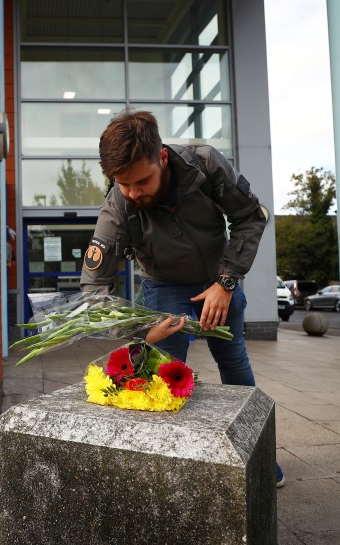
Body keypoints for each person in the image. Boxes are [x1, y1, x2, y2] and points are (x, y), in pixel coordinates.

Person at [80, 109, 284, 488]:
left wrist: (226, 282)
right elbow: (94, 290)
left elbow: (251, 217)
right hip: (163, 287)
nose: (132, 193)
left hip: (219, 280)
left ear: (161, 157)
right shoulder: (118, 207)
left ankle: (259, 462)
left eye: (141, 181)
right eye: (122, 184)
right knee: (164, 376)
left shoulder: (204, 165)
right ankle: (169, 470)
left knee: (234, 360)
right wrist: (140, 328)